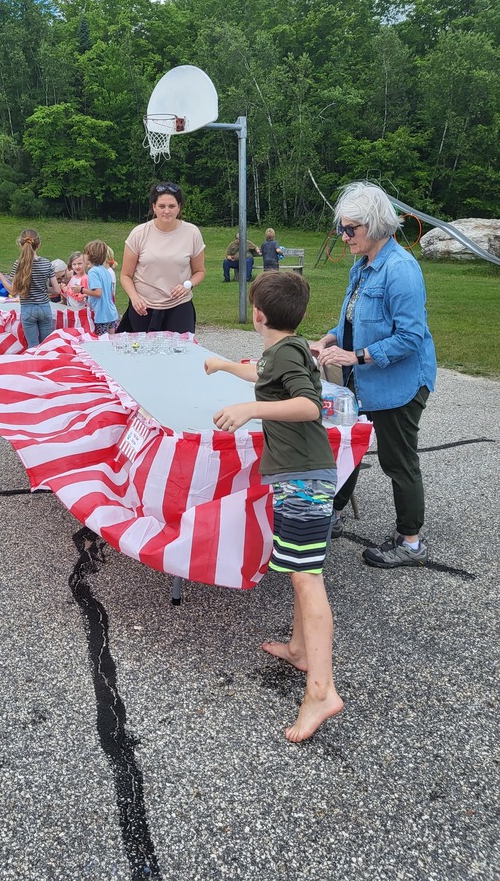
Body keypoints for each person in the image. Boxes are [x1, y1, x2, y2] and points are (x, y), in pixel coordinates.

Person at [204, 272, 342, 742]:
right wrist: (224, 365)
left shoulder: (285, 353)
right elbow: (263, 375)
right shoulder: (287, 348)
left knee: (307, 578)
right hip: (301, 476)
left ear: (258, 314)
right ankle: (301, 651)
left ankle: (321, 691)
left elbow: (307, 405)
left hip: (304, 479)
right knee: (299, 568)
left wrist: (250, 411)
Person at [313, 180, 437, 568]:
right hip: (363, 380)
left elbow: (411, 337)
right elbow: (350, 317)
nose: (344, 236)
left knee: (398, 461)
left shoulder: (401, 269)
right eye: (342, 228)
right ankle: (332, 512)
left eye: (351, 229)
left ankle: (411, 541)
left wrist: (358, 357)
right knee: (347, 443)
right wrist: (329, 338)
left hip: (398, 385)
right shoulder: (362, 266)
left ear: (377, 225)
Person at [119, 181, 206, 333]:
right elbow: (125, 275)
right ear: (154, 207)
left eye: (172, 206)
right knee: (141, 354)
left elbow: (200, 271)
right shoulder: (139, 233)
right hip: (144, 307)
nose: (167, 211)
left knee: (180, 353)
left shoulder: (192, 233)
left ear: (179, 207)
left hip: (179, 306)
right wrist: (134, 298)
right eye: (162, 206)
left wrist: (188, 285)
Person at [0, 228, 61, 347]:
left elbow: (13, 291)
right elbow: (57, 290)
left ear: (21, 244)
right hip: (44, 307)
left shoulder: (18, 264)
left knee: (33, 346)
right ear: (39, 245)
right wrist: (43, 289)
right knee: (46, 346)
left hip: (27, 308)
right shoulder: (47, 263)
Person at [75, 240, 119, 335]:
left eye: (85, 253)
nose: (83, 256)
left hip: (101, 315)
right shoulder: (106, 271)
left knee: (102, 341)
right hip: (112, 313)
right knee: (111, 341)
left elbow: (98, 293)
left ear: (91, 255)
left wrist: (81, 289)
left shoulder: (93, 271)